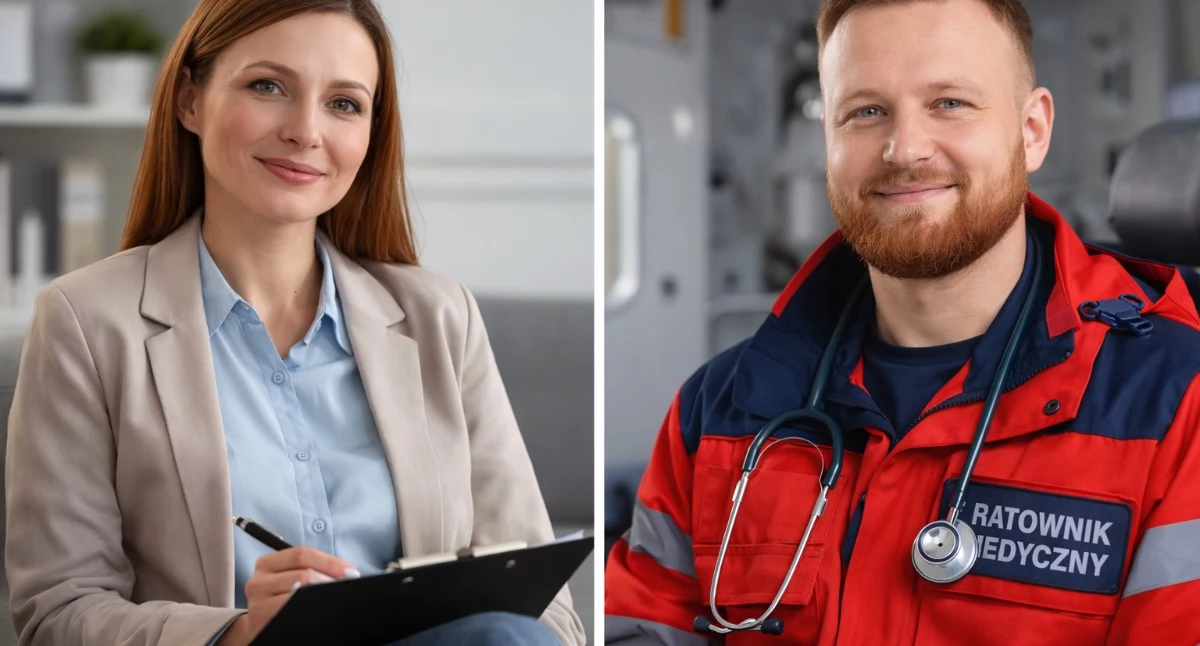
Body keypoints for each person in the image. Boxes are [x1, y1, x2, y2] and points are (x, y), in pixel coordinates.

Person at [604, 0, 1200, 644]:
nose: (904, 148)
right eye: (865, 111)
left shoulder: (1174, 405)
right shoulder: (718, 407)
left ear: (1032, 131)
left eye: (948, 103)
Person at [3, 1, 583, 645]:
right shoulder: (85, 321)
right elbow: (56, 614)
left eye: (344, 104)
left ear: (370, 133)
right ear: (190, 102)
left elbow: (548, 605)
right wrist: (242, 633)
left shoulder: (441, 318)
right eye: (268, 86)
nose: (307, 131)